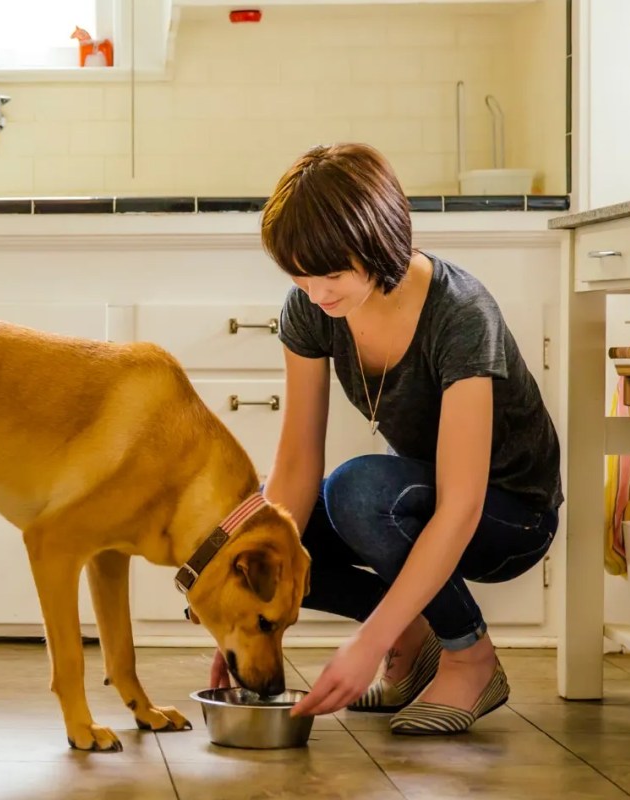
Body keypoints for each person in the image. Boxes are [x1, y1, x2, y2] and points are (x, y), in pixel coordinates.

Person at [209, 142, 563, 736]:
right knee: (276, 534)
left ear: (377, 243)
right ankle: (411, 636)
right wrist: (243, 612)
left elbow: (462, 505)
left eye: (332, 273)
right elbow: (295, 466)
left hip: (509, 518)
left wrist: (365, 645)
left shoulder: (461, 314)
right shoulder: (311, 308)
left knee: (357, 490)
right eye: (299, 274)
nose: (317, 292)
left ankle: (470, 657)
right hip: (415, 505)